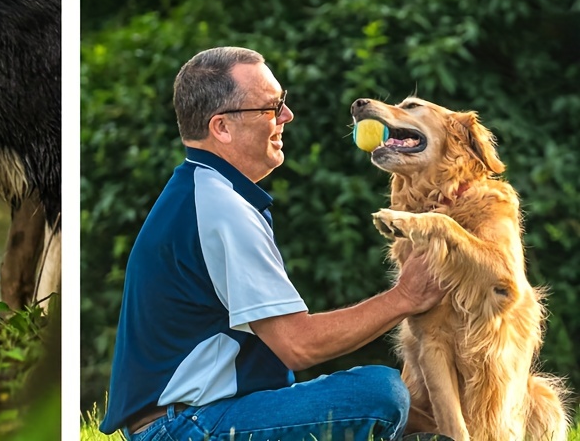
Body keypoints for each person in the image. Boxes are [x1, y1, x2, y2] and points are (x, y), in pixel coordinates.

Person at [100, 46, 449, 441]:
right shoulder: (221, 207)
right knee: (379, 393)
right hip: (184, 429)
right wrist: (406, 296)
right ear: (222, 128)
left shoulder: (203, 190)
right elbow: (298, 345)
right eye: (271, 107)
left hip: (188, 420)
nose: (287, 116)